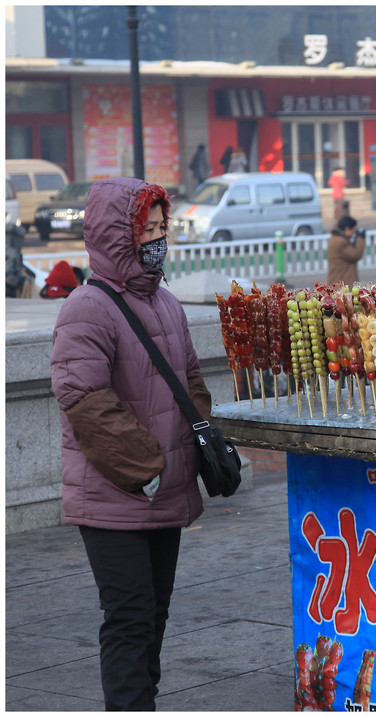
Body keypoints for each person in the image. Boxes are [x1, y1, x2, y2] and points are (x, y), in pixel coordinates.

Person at [50, 177, 213, 710]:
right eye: (149, 227)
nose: (159, 236)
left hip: (163, 489)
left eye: (163, 226)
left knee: (155, 614)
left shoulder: (165, 302)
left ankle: (144, 701)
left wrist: (196, 448)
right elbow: (83, 398)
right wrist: (147, 467)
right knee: (129, 616)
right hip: (114, 494)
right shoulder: (86, 307)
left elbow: (190, 382)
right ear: (120, 233)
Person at [326, 214, 366, 286]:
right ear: (347, 229)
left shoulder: (335, 238)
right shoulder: (340, 242)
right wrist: (360, 238)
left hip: (338, 281)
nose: (353, 233)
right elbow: (356, 254)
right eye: (353, 230)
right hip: (343, 283)